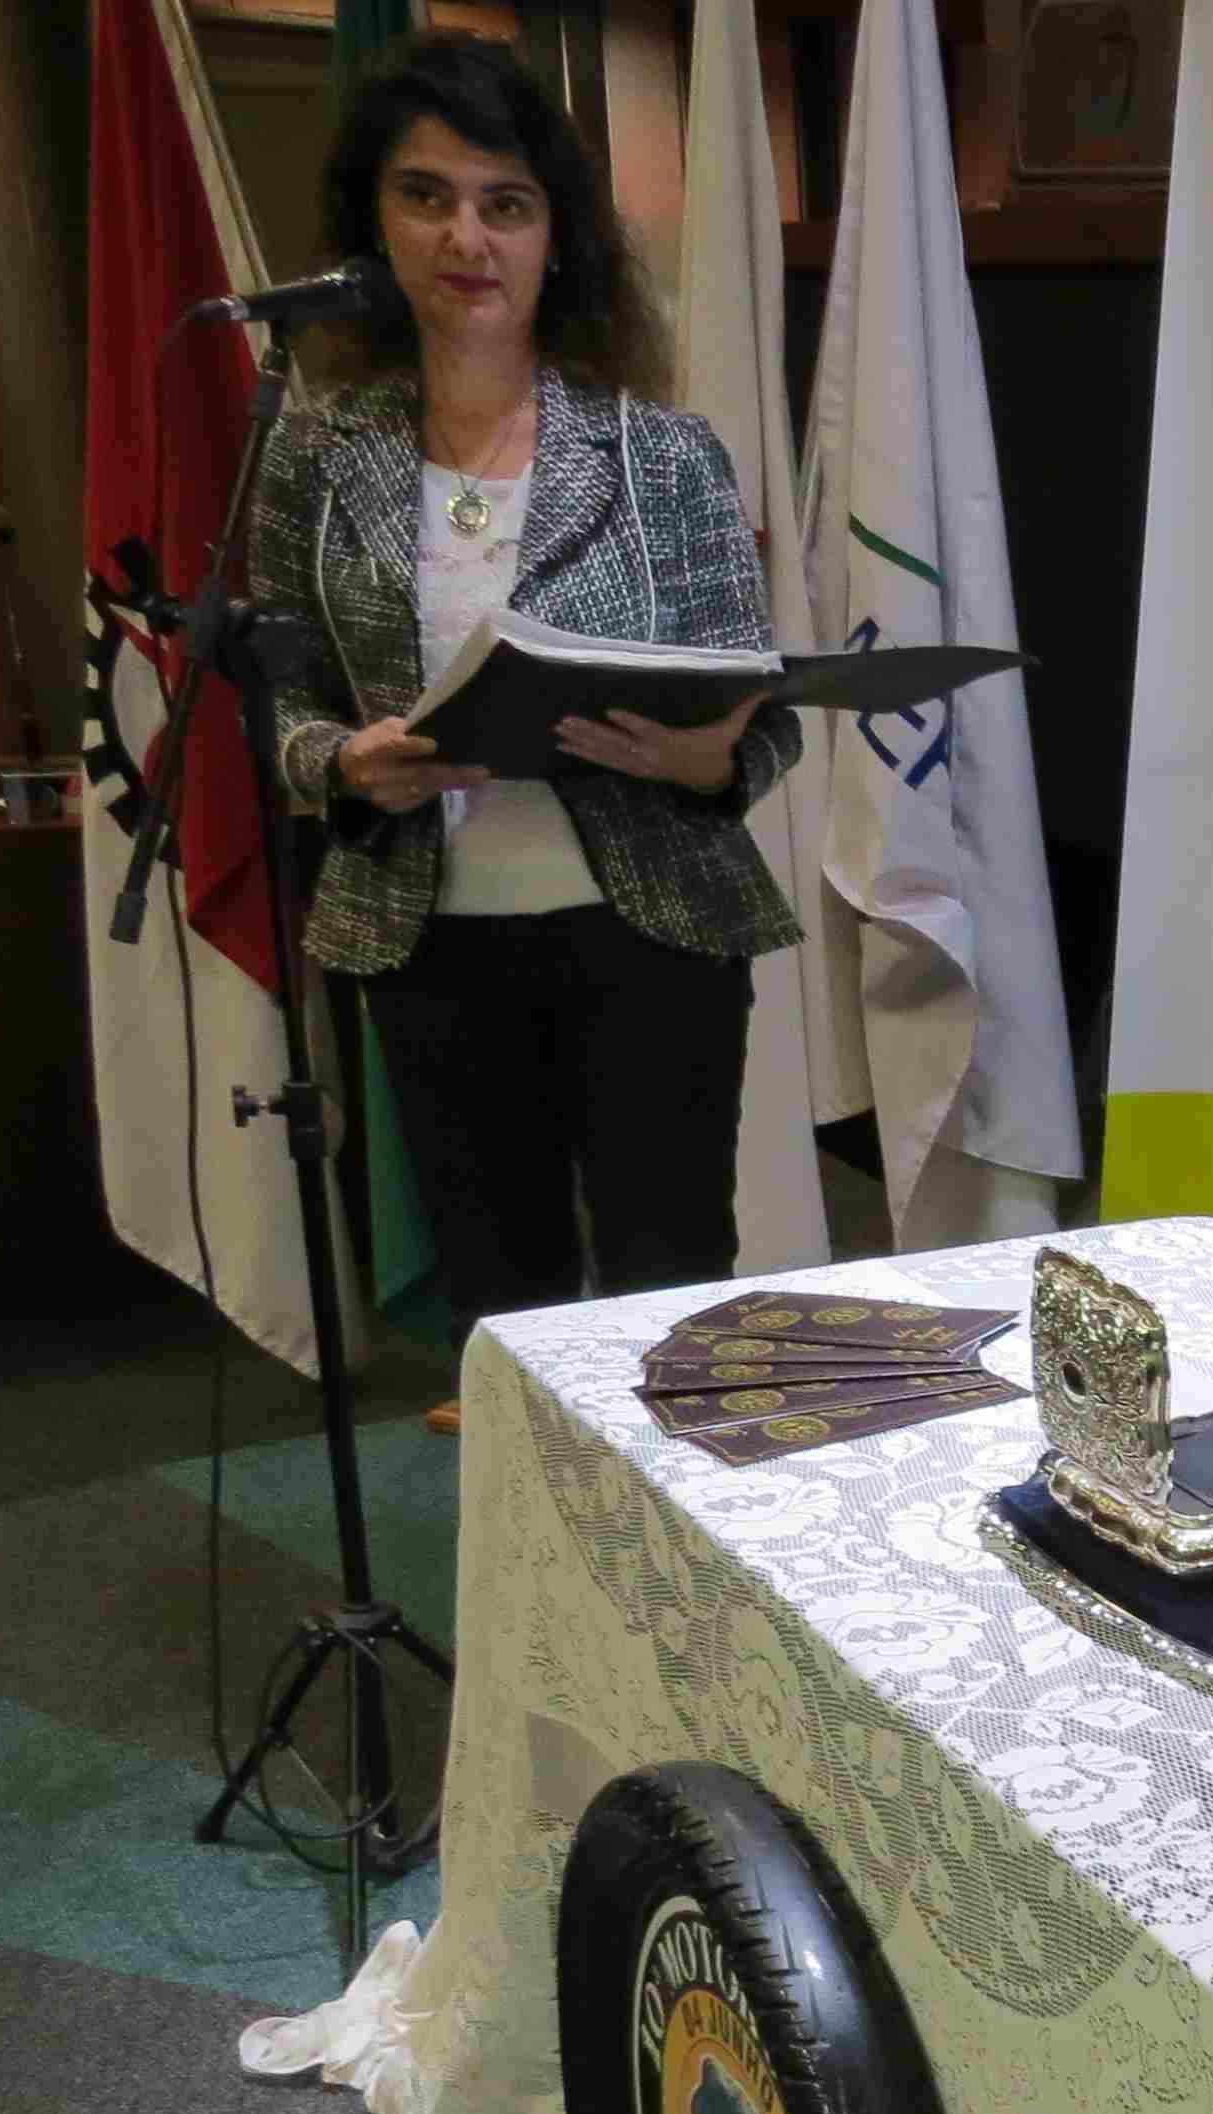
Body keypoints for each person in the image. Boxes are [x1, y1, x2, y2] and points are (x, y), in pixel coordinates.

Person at [251, 37, 803, 1412]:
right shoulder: (315, 456)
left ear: (559, 236)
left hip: (652, 930)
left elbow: (758, 702)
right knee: (506, 1312)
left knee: (676, 1300)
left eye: (507, 203)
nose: (467, 238)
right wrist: (339, 764)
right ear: (373, 222)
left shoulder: (663, 453)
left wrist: (709, 759)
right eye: (426, 196)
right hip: (429, 939)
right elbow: (281, 693)